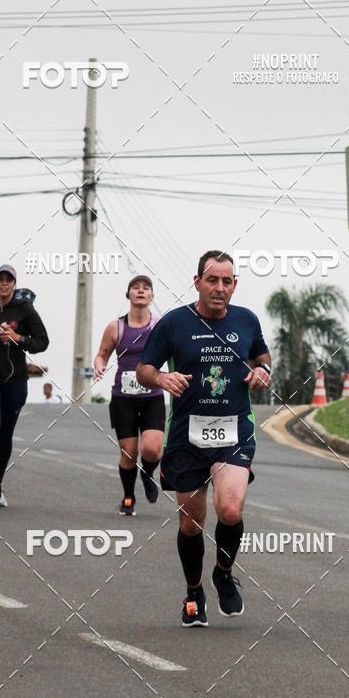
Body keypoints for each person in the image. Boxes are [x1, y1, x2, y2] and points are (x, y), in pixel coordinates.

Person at [137, 251, 271, 626]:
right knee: (191, 524)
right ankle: (194, 591)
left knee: (230, 509)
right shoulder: (174, 323)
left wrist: (261, 369)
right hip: (186, 435)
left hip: (235, 431)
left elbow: (262, 354)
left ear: (234, 285)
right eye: (212, 280)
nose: (220, 288)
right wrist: (162, 378)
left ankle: (223, 573)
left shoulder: (246, 320)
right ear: (197, 282)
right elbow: (145, 368)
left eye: (227, 281)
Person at [93, 275, 165, 515]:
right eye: (136, 288)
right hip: (123, 398)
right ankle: (128, 496)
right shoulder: (116, 327)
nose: (141, 291)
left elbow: (175, 350)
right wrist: (100, 365)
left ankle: (148, 472)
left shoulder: (159, 325)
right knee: (129, 452)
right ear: (128, 295)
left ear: (152, 296)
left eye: (146, 288)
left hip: (152, 395)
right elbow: (102, 354)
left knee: (152, 449)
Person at [0, 264, 49, 506]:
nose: (4, 283)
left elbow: (42, 341)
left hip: (15, 380)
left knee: (5, 433)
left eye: (8, 280)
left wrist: (17, 338)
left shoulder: (25, 309)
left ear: (14, 283)